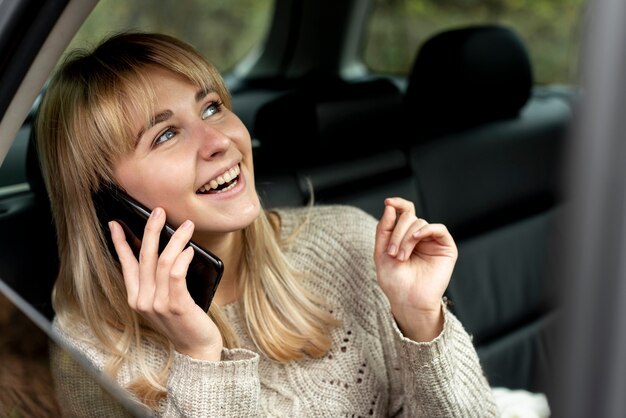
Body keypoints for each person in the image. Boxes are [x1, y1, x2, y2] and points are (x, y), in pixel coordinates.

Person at [36, 31, 499, 417]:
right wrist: (200, 359)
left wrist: (421, 321)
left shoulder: (346, 240)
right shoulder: (90, 354)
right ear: (105, 200)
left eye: (212, 107)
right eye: (166, 134)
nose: (219, 141)